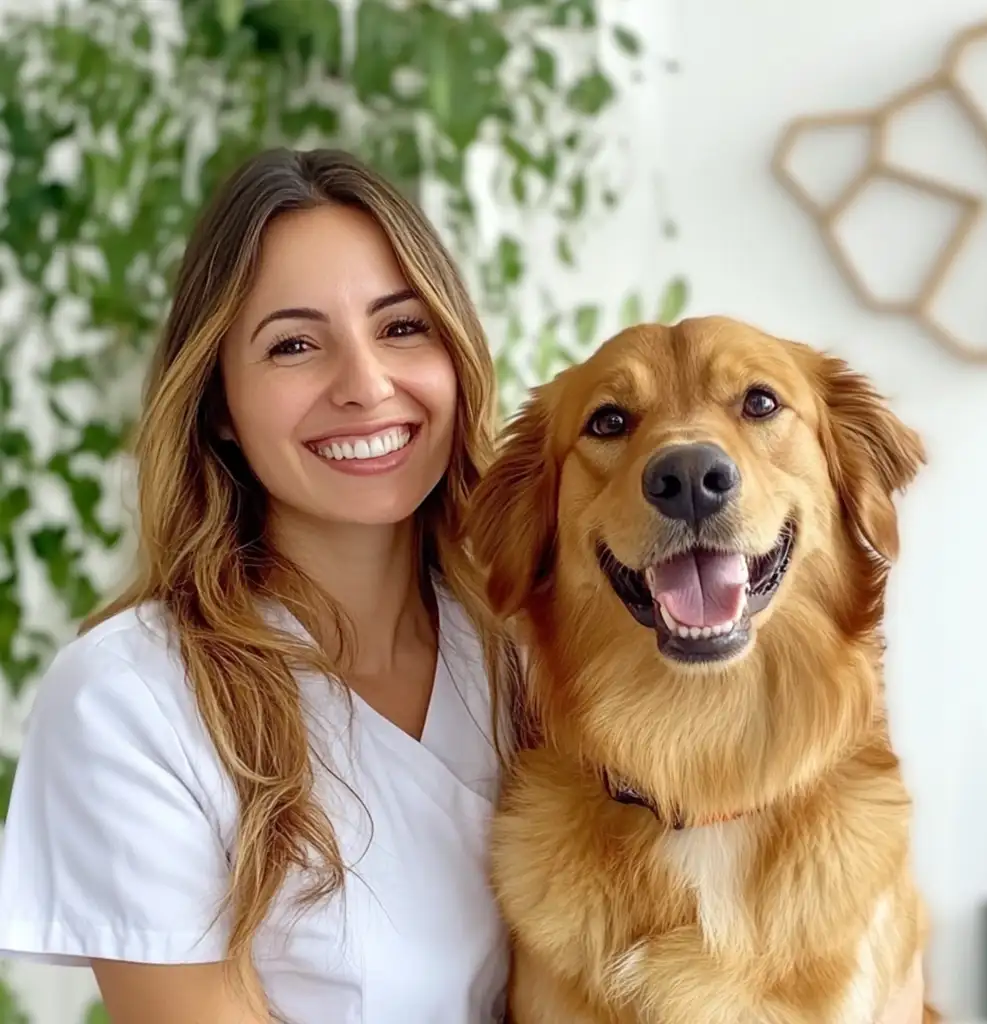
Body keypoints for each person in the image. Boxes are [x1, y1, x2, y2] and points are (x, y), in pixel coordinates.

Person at [0, 148, 925, 1024]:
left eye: (401, 327)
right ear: (221, 410)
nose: (365, 386)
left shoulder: (530, 649)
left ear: (455, 357)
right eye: (292, 346)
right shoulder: (129, 699)